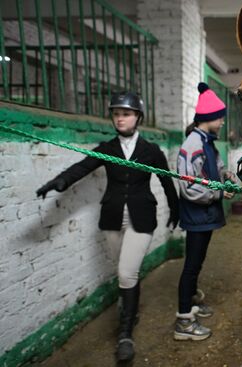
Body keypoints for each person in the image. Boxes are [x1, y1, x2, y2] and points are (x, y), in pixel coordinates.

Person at [36, 91, 179, 363]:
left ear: (138, 117)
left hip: (141, 217)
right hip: (112, 218)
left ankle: (125, 333)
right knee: (124, 272)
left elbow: (166, 181)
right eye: (116, 114)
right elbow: (83, 166)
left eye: (125, 114)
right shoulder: (107, 148)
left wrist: (175, 208)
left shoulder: (151, 151)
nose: (120, 119)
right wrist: (60, 182)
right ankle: (130, 309)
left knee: (126, 273)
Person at [174, 82, 236, 341]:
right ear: (208, 118)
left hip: (206, 217)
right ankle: (184, 322)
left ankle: (191, 303)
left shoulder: (208, 143)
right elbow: (190, 189)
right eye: (219, 117)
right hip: (196, 216)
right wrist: (220, 193)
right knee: (190, 266)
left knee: (196, 263)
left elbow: (217, 169)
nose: (222, 122)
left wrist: (227, 176)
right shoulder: (192, 145)